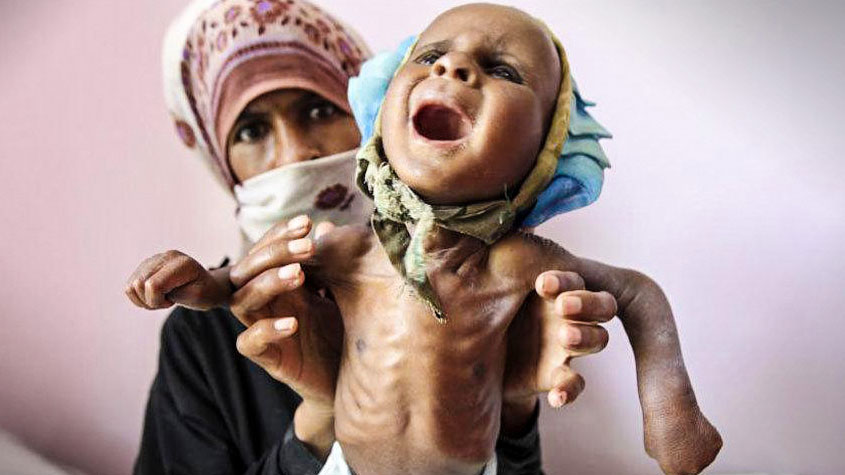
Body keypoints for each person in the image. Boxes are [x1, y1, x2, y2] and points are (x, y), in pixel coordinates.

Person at [128, 1, 615, 473]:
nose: (296, 154)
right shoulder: (201, 335)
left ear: (373, 111)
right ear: (220, 158)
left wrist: (513, 414)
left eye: (319, 111)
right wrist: (317, 424)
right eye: (251, 131)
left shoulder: (504, 294)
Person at [250, 4, 721, 475]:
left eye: (504, 71)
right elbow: (240, 281)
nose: (451, 65)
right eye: (429, 56)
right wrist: (214, 286)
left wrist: (671, 411)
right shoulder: (350, 254)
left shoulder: (518, 265)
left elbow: (637, 293)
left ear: (544, 155)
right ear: (382, 107)